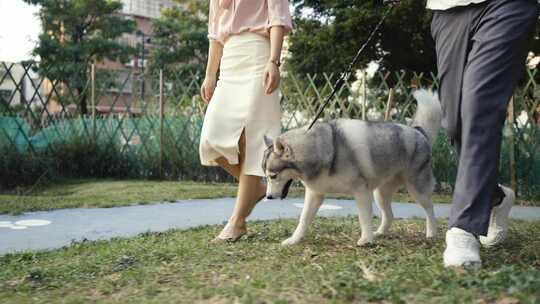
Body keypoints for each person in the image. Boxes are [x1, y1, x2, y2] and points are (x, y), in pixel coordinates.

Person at [426, 0, 539, 268]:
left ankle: (463, 231)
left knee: (479, 107)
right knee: (454, 122)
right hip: (447, 8)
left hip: (509, 5)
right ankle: (494, 197)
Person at [199, 0, 293, 242]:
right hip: (229, 61)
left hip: (258, 54)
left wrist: (273, 61)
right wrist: (210, 75)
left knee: (254, 139)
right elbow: (214, 33)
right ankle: (256, 188)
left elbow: (277, 18)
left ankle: (237, 222)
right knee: (211, 140)